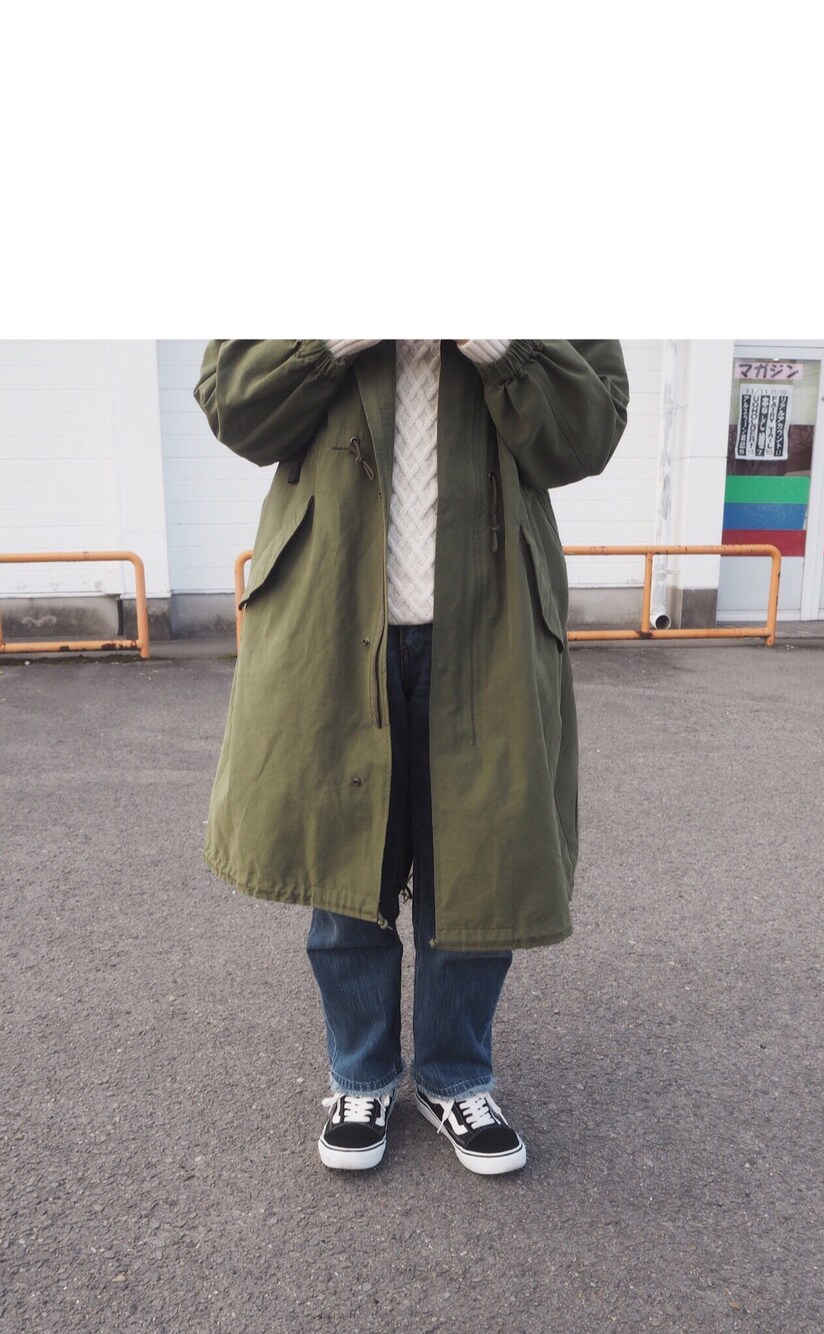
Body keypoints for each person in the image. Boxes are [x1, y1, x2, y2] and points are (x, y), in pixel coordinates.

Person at [194, 339, 629, 1175]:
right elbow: (235, 407)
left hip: (493, 620)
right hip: (330, 613)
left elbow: (590, 433)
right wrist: (335, 337)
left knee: (480, 862)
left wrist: (501, 347)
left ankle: (454, 1077)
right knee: (345, 862)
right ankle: (359, 1076)